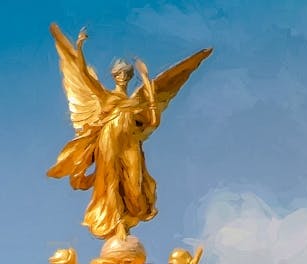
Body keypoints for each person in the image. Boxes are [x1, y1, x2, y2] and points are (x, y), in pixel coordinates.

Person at [47, 24, 212, 240]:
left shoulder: (136, 102)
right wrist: (79, 49)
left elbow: (153, 121)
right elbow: (84, 76)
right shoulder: (105, 97)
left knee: (135, 184)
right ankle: (116, 223)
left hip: (131, 143)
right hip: (108, 140)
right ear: (114, 76)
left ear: (129, 75)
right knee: (110, 181)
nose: (122, 76)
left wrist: (147, 82)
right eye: (118, 74)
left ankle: (127, 217)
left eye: (126, 73)